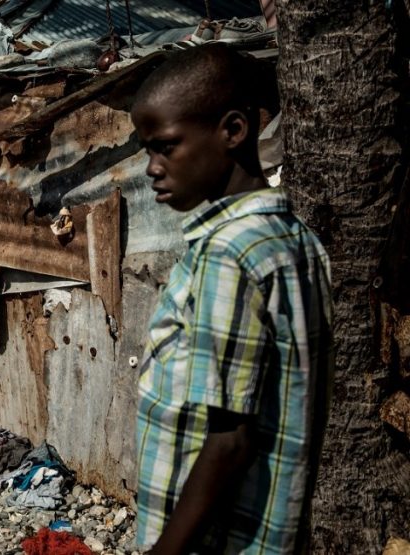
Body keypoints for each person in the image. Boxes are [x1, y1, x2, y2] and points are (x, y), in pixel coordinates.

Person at [130, 44, 333, 554]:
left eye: (166, 146)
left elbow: (229, 439)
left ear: (234, 131)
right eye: (147, 151)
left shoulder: (228, 253)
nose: (152, 168)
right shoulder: (293, 240)